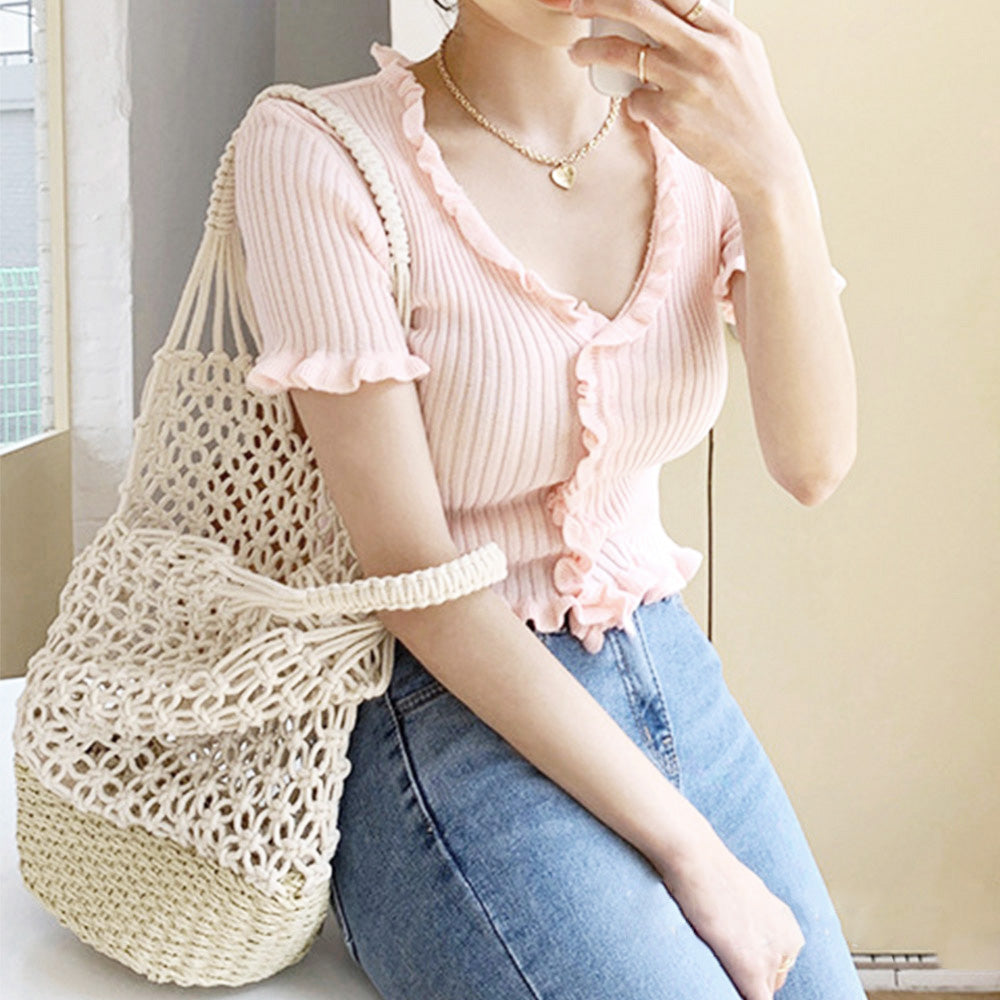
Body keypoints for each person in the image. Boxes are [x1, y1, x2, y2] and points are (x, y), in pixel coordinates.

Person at [232, 1, 862, 997]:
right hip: (438, 700)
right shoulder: (322, 150)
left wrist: (773, 174)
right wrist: (694, 853)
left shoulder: (700, 142)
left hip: (664, 663)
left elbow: (813, 462)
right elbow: (412, 573)